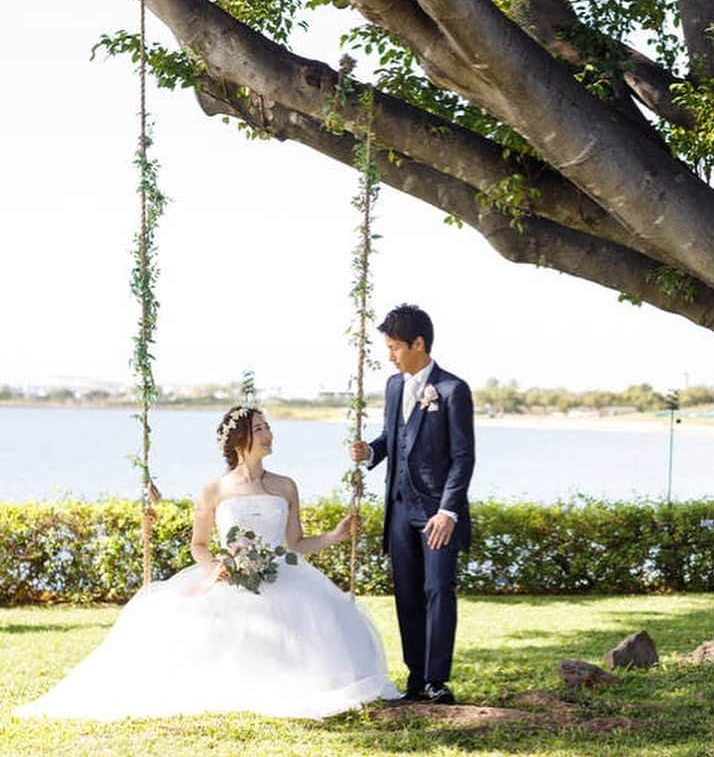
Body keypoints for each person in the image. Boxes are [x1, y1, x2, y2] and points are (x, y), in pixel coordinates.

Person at [14, 407, 400, 720]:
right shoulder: (214, 489)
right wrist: (216, 565)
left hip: (283, 574)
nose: (269, 433)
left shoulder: (286, 485)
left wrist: (334, 535)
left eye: (269, 426)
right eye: (260, 427)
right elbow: (198, 545)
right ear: (239, 440)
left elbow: (295, 544)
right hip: (229, 576)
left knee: (320, 615)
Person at [350, 304, 474, 705]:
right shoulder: (393, 386)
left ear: (418, 343)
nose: (390, 355)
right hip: (399, 510)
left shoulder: (454, 390)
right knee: (406, 593)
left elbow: (462, 457)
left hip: (438, 513)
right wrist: (370, 450)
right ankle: (417, 679)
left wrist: (448, 511)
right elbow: (392, 437)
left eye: (395, 347)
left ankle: (438, 680)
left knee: (438, 589)